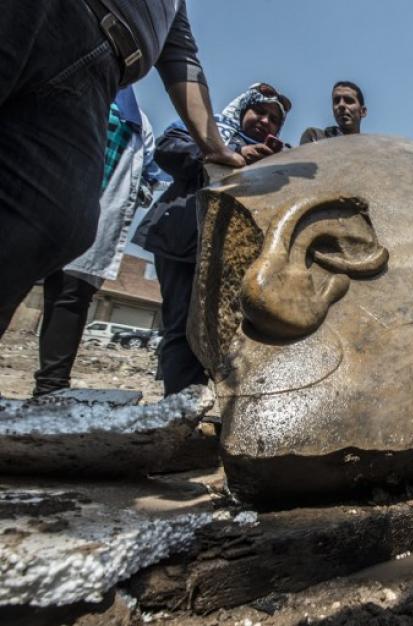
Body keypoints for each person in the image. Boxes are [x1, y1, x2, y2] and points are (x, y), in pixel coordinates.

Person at [0, 0, 244, 340]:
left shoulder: (173, 7)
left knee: (57, 222)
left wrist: (214, 146)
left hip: (102, 69)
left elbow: (181, 59)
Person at [133, 83, 291, 396]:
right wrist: (227, 155)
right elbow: (167, 150)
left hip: (231, 256)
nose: (265, 122)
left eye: (274, 119)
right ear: (243, 109)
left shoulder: (276, 158)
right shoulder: (208, 131)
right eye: (260, 111)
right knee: (180, 325)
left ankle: (216, 404)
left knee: (225, 330)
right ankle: (181, 405)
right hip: (183, 242)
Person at [32, 87, 161, 397]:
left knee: (70, 297)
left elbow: (148, 173)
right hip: (42, 196)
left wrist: (139, 190)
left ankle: (51, 388)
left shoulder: (137, 121)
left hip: (95, 212)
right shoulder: (63, 82)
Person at [300, 81, 368, 144]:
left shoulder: (371, 146)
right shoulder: (315, 137)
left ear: (363, 111)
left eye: (348, 100)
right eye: (336, 101)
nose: (341, 105)